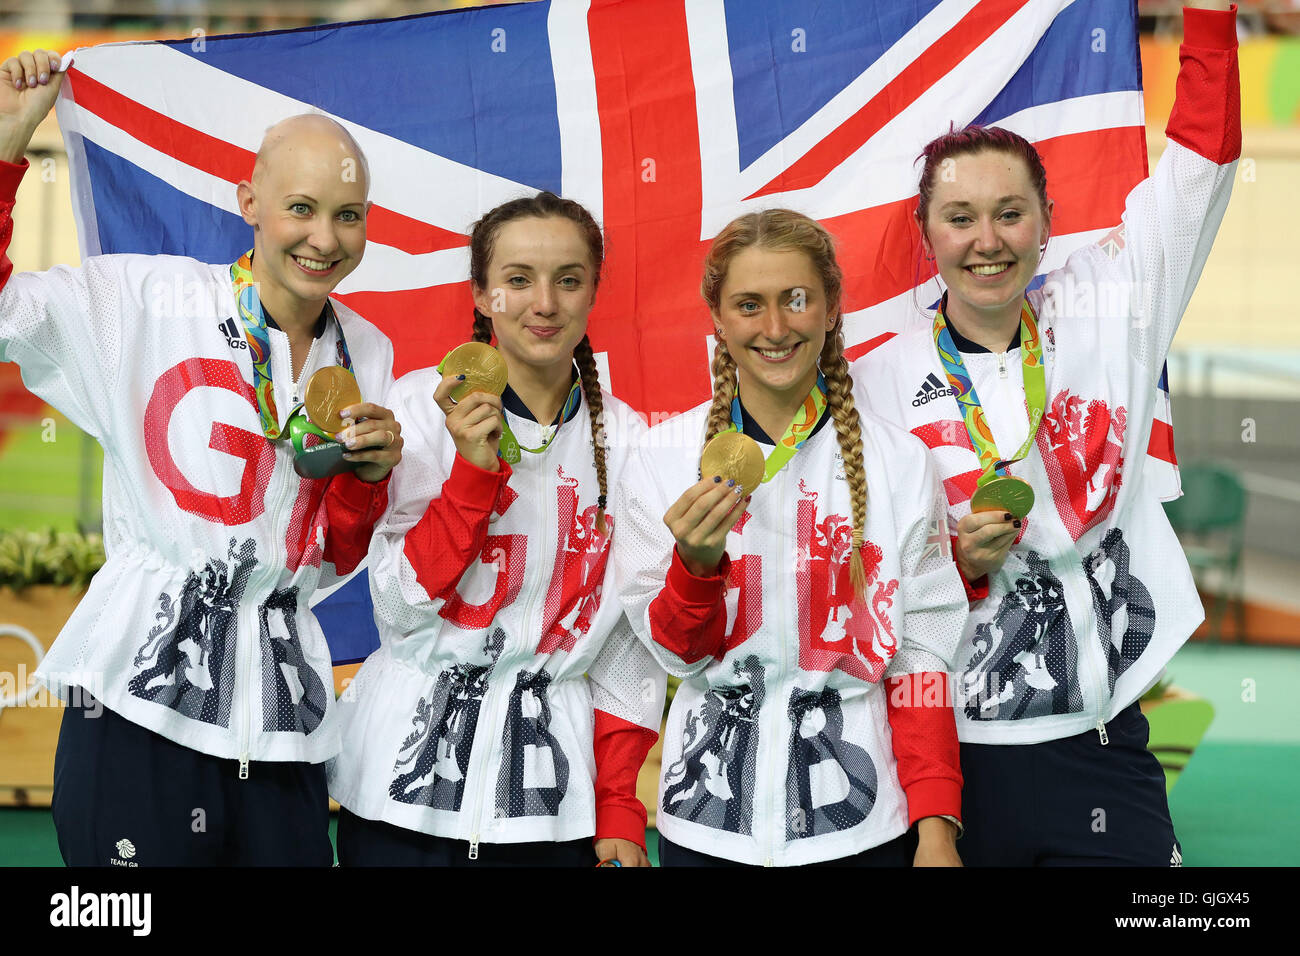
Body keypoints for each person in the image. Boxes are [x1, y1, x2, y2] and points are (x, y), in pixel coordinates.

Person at [851, 2, 1240, 865]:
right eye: (959, 219)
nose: (986, 241)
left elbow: (1203, 167)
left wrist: (1210, 18)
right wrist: (952, 561)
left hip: (1103, 742)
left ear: (1047, 220)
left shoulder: (1109, 305)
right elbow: (861, 577)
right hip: (953, 758)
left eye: (1009, 213)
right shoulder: (875, 383)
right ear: (926, 236)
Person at [0, 51, 403, 865]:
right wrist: (7, 148)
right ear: (249, 203)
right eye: (301, 208)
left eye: (349, 215)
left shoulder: (367, 348)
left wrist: (367, 482)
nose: (326, 239)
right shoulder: (144, 299)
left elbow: (331, 554)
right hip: (138, 706)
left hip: (281, 722)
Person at [617, 209, 968, 867]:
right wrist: (694, 566)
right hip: (708, 827)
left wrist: (935, 823)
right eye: (749, 305)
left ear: (833, 307)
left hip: (863, 828)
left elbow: (920, 656)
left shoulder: (898, 461)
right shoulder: (660, 456)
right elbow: (675, 655)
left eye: (796, 300)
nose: (774, 329)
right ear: (717, 318)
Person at [327, 192, 664, 866]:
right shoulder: (417, 413)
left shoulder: (629, 443)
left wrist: (622, 805)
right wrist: (471, 480)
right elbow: (397, 608)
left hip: (547, 807)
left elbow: (625, 648)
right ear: (483, 295)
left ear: (593, 291)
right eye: (517, 280)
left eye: (568, 280)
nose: (544, 303)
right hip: (400, 797)